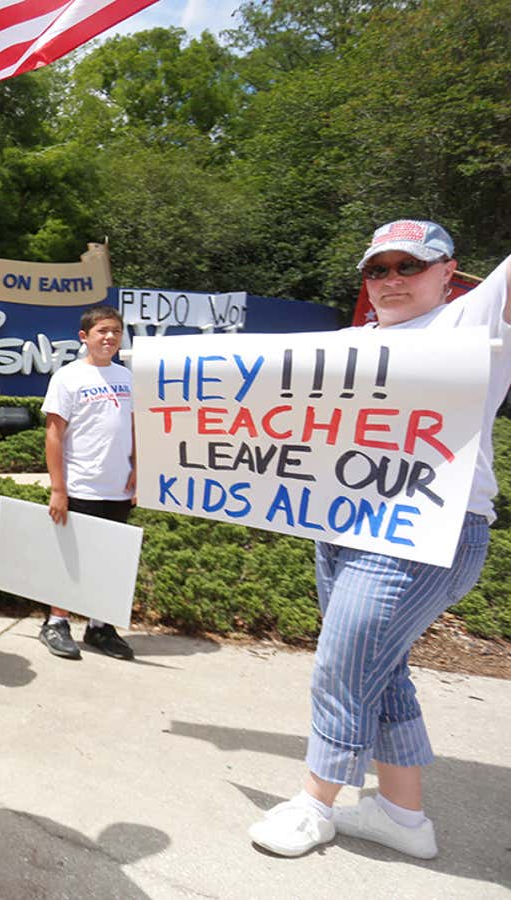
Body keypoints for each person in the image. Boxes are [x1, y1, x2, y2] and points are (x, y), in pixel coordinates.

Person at [248, 220, 511, 860]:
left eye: (409, 266)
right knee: (381, 670)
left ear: (449, 272)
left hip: (427, 535)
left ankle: (315, 805)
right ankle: (402, 815)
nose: (391, 280)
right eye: (378, 269)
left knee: (342, 667)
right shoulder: (350, 341)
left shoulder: (474, 325)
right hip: (342, 525)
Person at [38, 305, 137, 661]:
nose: (109, 337)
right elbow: (53, 436)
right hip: (80, 486)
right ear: (85, 337)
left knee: (110, 560)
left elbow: (136, 429)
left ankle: (100, 626)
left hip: (118, 488)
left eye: (115, 331)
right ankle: (56, 622)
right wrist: (58, 488)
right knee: (72, 558)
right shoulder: (68, 377)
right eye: (101, 332)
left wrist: (137, 470)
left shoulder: (127, 378)